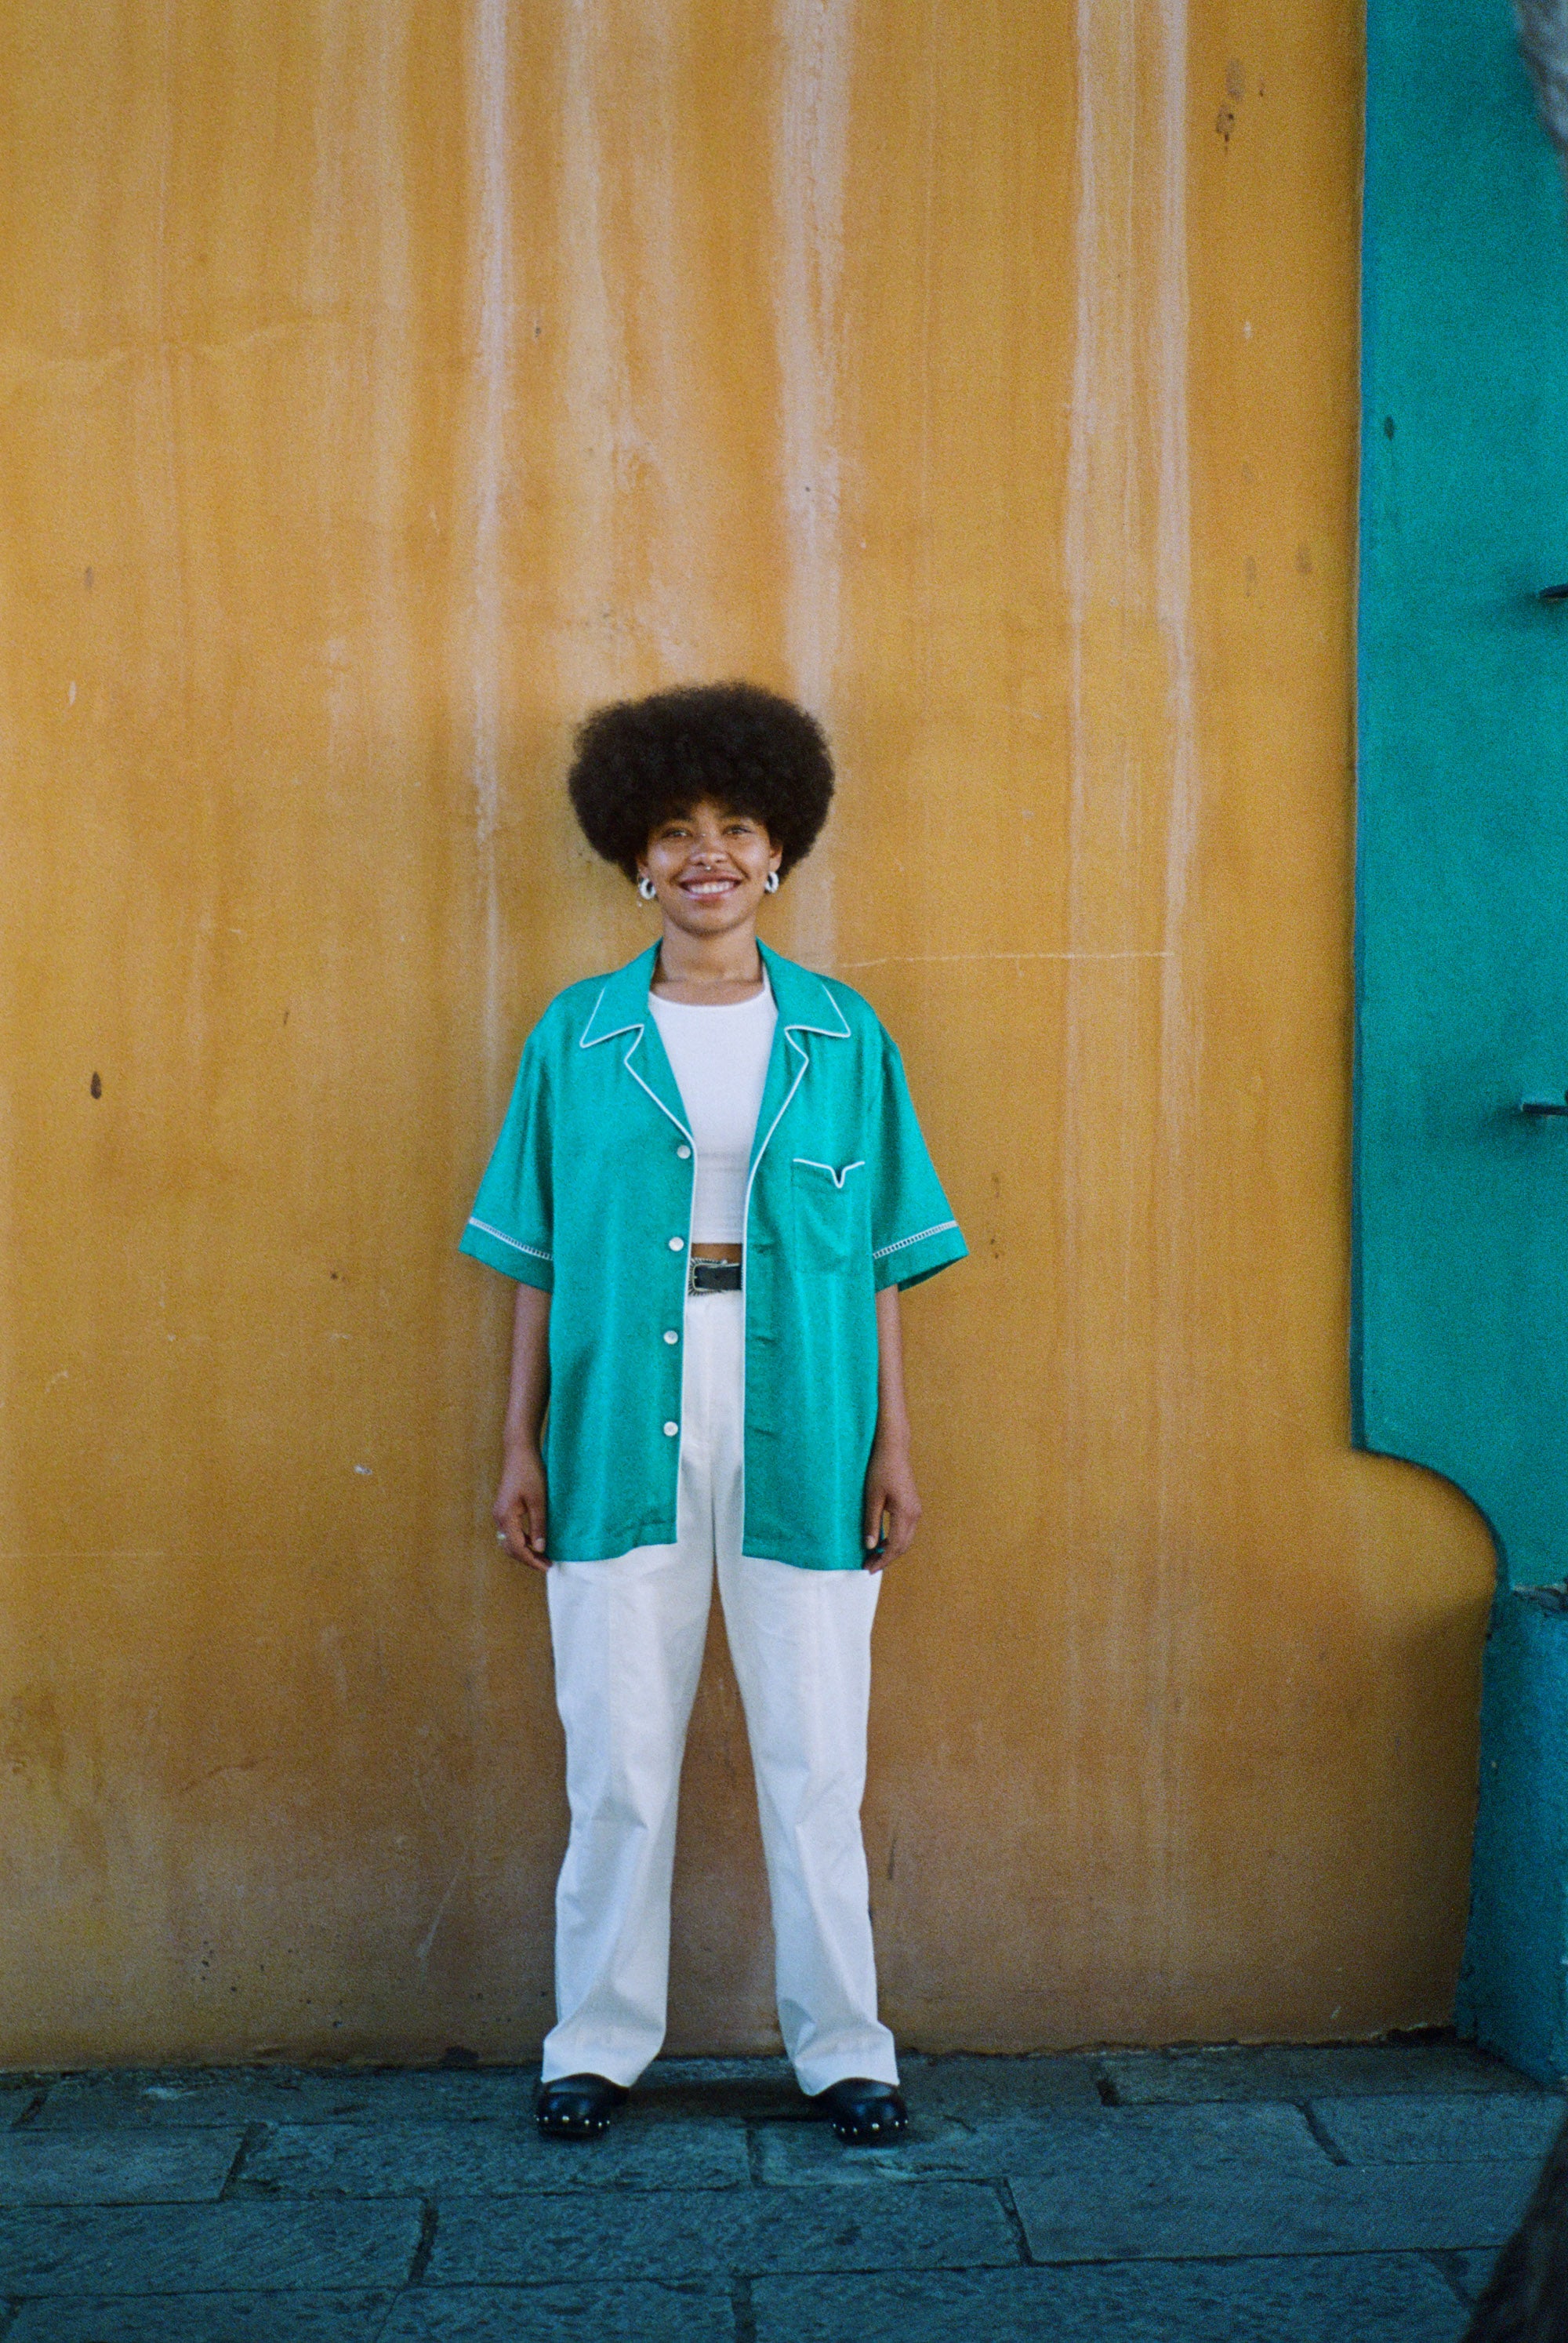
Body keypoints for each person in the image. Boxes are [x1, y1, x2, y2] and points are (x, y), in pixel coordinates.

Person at [460, 681, 966, 2145]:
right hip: (619, 1422)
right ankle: (596, 2044)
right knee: (615, 1753)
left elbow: (883, 1258)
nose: (707, 855)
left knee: (818, 1751)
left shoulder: (844, 1039)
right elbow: (537, 1263)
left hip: (805, 1413)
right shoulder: (578, 1038)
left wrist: (894, 1440)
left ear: (778, 851)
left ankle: (847, 2051)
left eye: (736, 828)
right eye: (676, 831)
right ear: (634, 854)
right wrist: (518, 1443)